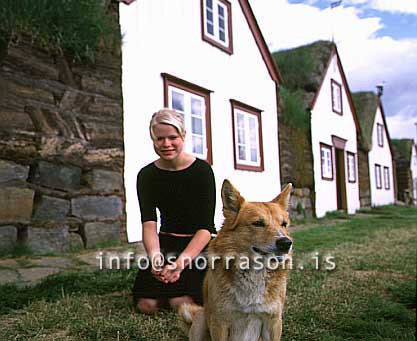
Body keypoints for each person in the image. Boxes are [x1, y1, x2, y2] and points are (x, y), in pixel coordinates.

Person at [132, 109, 216, 314]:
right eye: (160, 138)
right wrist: (155, 257)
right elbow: (149, 223)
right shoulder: (147, 175)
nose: (166, 144)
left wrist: (179, 264)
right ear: (153, 139)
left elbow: (206, 227)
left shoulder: (202, 172)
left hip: (198, 246)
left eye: (172, 137)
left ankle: (179, 290)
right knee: (146, 306)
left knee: (181, 304)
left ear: (183, 136)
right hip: (166, 243)